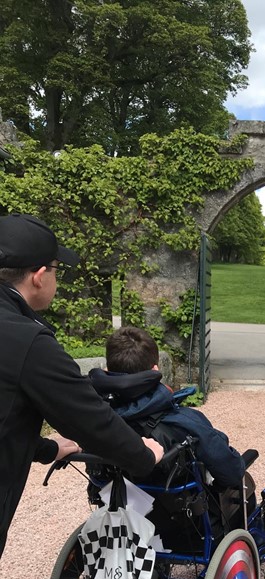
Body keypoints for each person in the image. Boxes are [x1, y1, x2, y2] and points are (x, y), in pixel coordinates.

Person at [0, 213, 164, 560]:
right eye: (57, 269)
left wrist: (45, 449)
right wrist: (145, 455)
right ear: (39, 277)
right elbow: (91, 420)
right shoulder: (27, 340)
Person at [88, 326, 246, 489]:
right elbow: (232, 474)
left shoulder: (94, 418)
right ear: (155, 370)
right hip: (174, 511)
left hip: (115, 501)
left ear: (108, 369)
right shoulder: (186, 422)